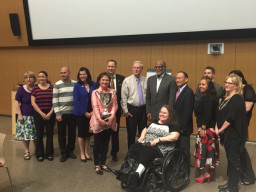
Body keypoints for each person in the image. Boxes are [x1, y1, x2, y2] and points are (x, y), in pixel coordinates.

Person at [125, 105, 180, 191]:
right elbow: (145, 129)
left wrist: (159, 139)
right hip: (148, 144)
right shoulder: (155, 121)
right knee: (134, 147)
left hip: (160, 148)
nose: (161, 114)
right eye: (161, 112)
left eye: (164, 113)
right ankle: (127, 171)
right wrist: (142, 136)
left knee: (147, 152)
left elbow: (174, 137)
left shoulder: (172, 125)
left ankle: (137, 174)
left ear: (170, 115)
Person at [216, 74, 248, 192]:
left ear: (236, 85)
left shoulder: (237, 98)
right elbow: (219, 113)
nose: (226, 84)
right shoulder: (226, 97)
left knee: (234, 161)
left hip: (233, 135)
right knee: (230, 159)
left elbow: (230, 117)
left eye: (229, 83)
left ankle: (233, 187)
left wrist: (221, 129)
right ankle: (230, 183)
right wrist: (216, 126)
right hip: (226, 134)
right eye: (226, 82)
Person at [228, 70, 255, 185]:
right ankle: (234, 175)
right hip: (230, 124)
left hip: (240, 124)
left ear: (240, 78)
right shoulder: (233, 90)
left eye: (234, 78)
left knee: (240, 150)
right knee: (233, 150)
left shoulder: (248, 89)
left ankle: (248, 176)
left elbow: (247, 108)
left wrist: (231, 113)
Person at [90, 72, 118, 175]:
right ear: (99, 81)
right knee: (97, 143)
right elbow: (95, 106)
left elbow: (115, 105)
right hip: (98, 121)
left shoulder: (113, 92)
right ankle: (97, 164)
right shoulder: (95, 92)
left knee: (106, 143)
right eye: (103, 80)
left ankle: (103, 163)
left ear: (109, 81)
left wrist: (111, 117)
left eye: (107, 80)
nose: (105, 82)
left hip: (109, 120)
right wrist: (100, 119)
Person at [194, 76, 218, 183]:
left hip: (207, 129)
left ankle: (205, 174)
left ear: (209, 86)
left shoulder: (207, 98)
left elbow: (207, 114)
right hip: (209, 129)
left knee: (204, 152)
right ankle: (209, 173)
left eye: (203, 84)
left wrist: (203, 128)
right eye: (200, 84)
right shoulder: (211, 96)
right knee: (209, 153)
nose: (200, 86)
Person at [53, 67, 77, 162]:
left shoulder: (75, 84)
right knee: (61, 134)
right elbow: (55, 100)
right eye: (61, 73)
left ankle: (70, 151)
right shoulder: (57, 85)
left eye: (64, 72)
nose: (63, 74)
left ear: (69, 73)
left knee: (72, 134)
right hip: (62, 114)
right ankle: (63, 152)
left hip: (73, 113)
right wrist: (57, 114)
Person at [121, 61, 147, 148]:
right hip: (132, 110)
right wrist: (125, 111)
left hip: (143, 110)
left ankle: (141, 153)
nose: (136, 69)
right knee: (131, 133)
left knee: (143, 132)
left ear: (141, 69)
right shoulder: (127, 80)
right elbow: (123, 97)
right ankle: (131, 154)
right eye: (134, 67)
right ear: (132, 68)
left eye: (138, 68)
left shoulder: (145, 80)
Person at [73, 67, 97, 162]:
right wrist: (85, 112)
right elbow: (76, 100)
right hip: (80, 114)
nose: (82, 76)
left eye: (84, 74)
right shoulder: (77, 85)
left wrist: (92, 112)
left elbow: (96, 98)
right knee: (81, 134)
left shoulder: (93, 84)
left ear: (88, 75)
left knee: (88, 133)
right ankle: (82, 153)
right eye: (80, 74)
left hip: (92, 113)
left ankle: (87, 152)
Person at [31, 71, 55, 162]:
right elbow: (33, 102)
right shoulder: (35, 89)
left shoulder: (52, 88)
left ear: (46, 77)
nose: (41, 78)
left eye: (43, 76)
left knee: (50, 134)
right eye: (39, 76)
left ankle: (49, 153)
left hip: (50, 113)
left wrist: (50, 113)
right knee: (39, 134)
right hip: (38, 113)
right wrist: (41, 113)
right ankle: (39, 154)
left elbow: (55, 102)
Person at [173, 71, 194, 174]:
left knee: (184, 150)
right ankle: (178, 169)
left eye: (180, 78)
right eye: (176, 78)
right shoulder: (176, 91)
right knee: (178, 149)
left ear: (186, 79)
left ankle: (185, 172)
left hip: (183, 128)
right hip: (176, 126)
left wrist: (181, 127)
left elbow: (187, 112)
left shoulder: (189, 92)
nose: (177, 80)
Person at [106, 60, 125, 161]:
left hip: (116, 110)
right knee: (105, 132)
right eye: (109, 66)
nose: (110, 68)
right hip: (105, 111)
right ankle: (104, 152)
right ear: (106, 67)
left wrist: (123, 108)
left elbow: (124, 95)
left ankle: (114, 152)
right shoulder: (102, 78)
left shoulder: (122, 79)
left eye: (112, 66)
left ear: (116, 67)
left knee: (115, 132)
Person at [15, 71, 37, 160]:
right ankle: (26, 151)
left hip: (36, 115)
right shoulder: (21, 89)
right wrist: (19, 115)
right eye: (26, 78)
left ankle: (38, 150)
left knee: (36, 135)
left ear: (34, 78)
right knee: (26, 136)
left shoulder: (37, 88)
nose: (28, 79)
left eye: (30, 77)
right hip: (25, 116)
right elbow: (17, 102)